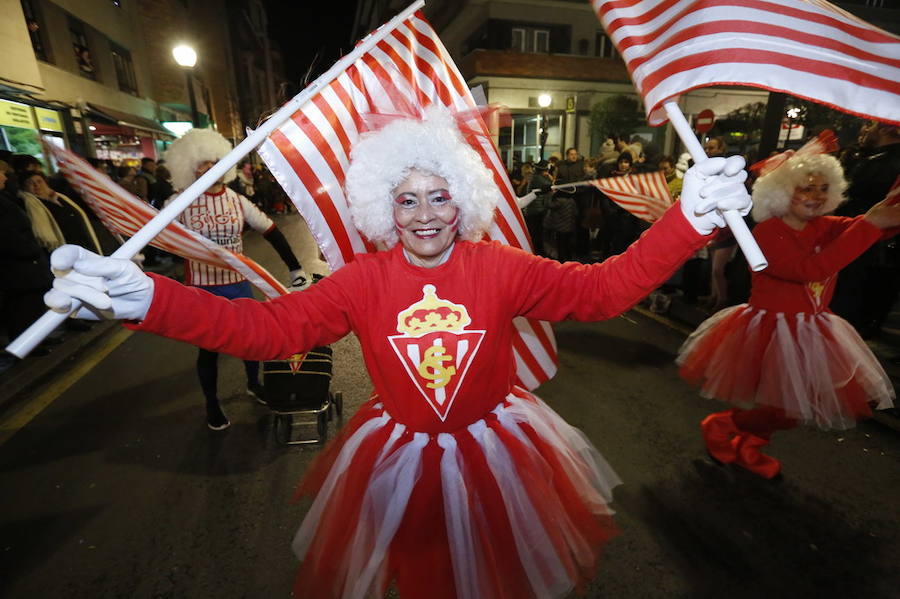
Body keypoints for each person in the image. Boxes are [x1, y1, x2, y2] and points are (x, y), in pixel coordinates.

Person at [44, 107, 750, 599]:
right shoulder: (362, 281)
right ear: (383, 207)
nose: (425, 215)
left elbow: (602, 290)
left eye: (439, 196)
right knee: (425, 576)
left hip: (498, 451)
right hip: (403, 458)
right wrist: (148, 300)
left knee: (495, 574)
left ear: (462, 198)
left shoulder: (500, 266)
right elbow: (267, 331)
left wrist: (686, 221)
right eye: (406, 200)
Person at [677, 148, 900, 479]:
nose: (816, 196)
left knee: (793, 408)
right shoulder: (767, 233)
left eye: (823, 188)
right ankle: (723, 425)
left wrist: (885, 212)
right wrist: (871, 224)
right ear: (781, 191)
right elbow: (811, 269)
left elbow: (864, 226)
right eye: (806, 188)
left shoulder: (821, 225)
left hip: (813, 329)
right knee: (785, 409)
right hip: (771, 330)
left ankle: (748, 445)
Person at [160, 128, 311, 430]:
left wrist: (295, 267)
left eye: (215, 162)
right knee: (208, 349)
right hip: (202, 289)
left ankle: (254, 384)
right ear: (190, 169)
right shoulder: (179, 202)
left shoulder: (236, 200)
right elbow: (156, 234)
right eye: (202, 165)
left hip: (237, 284)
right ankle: (211, 403)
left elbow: (270, 230)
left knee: (250, 339)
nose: (210, 169)